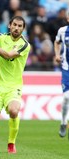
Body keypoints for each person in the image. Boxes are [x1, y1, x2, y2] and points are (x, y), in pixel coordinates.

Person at [0, 16, 30, 153]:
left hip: (13, 86)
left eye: (20, 26)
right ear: (9, 25)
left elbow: (8, 55)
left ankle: (11, 143)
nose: (16, 28)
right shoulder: (2, 37)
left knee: (14, 111)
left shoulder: (25, 45)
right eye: (14, 25)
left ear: (23, 28)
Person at [54, 10, 69, 138]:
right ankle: (63, 122)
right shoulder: (62, 31)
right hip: (66, 69)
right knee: (66, 97)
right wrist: (57, 54)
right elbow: (57, 42)